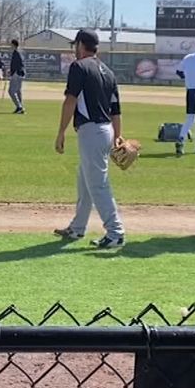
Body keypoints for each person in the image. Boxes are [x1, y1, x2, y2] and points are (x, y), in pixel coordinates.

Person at [53, 28, 125, 249]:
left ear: (81, 45)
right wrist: (118, 135)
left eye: (76, 44)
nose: (75, 49)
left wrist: (61, 131)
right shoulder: (108, 72)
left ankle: (115, 232)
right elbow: (116, 109)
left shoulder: (79, 66)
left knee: (97, 184)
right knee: (85, 181)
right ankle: (77, 228)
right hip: (106, 130)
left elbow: (70, 101)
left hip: (92, 131)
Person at [9, 39, 26, 115]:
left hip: (17, 74)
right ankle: (20, 107)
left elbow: (17, 64)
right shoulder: (18, 52)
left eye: (11, 45)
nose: (10, 46)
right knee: (18, 91)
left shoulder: (17, 53)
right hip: (20, 73)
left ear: (14, 45)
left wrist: (13, 72)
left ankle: (19, 107)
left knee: (11, 91)